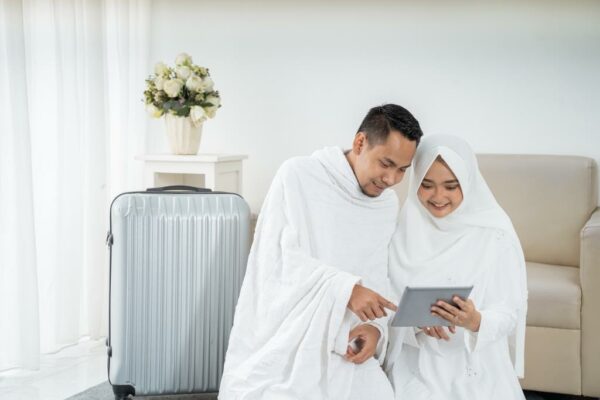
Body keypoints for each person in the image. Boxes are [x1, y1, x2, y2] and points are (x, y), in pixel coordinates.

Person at [219, 104, 423, 400]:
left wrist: (375, 329)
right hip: (290, 338)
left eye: (402, 170)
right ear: (360, 143)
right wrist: (346, 290)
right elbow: (275, 260)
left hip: (346, 343)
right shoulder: (298, 176)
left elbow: (379, 275)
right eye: (386, 163)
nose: (391, 179)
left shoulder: (386, 204)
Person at [385, 135, 528, 400]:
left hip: (476, 363)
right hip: (417, 362)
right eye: (427, 185)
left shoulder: (495, 236)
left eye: (451, 186)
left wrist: (475, 321)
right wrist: (415, 324)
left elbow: (509, 312)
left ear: (468, 182)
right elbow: (386, 304)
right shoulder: (401, 233)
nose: (438, 197)